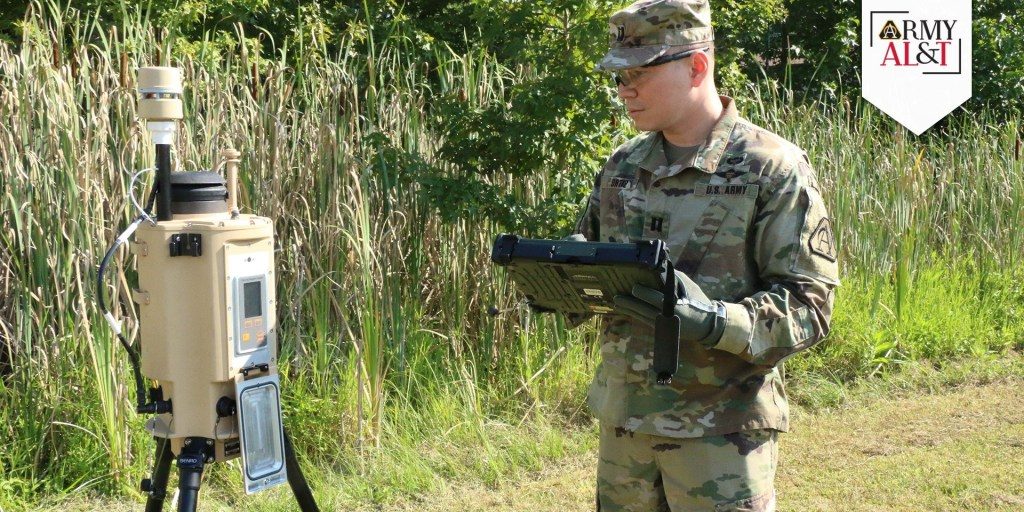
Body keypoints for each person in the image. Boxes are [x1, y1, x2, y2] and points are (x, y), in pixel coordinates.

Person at [570, 1, 840, 510]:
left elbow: (809, 306)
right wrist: (556, 285)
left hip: (721, 434)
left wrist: (715, 321)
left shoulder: (769, 169)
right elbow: (592, 265)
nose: (625, 88)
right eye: (619, 76)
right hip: (626, 427)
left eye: (640, 73)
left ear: (696, 66)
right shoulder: (623, 164)